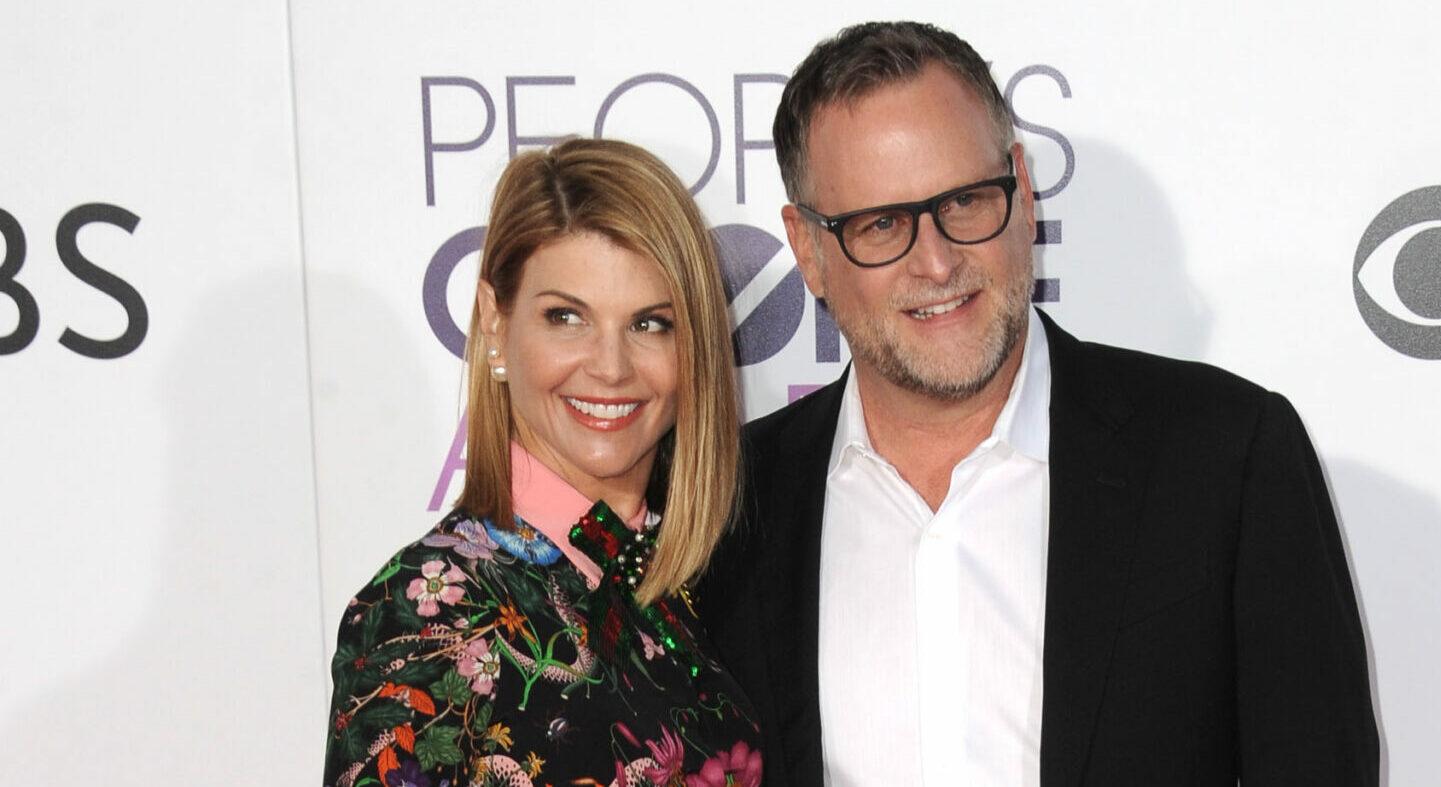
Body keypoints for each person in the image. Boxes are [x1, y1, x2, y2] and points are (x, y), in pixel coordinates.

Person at [696, 21, 1378, 786]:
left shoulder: (1226, 458)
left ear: (1021, 190)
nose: (938, 259)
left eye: (966, 200)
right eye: (881, 224)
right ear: (810, 251)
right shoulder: (724, 505)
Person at [324, 137, 762, 787]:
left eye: (650, 324)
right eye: (567, 317)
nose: (611, 366)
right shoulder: (426, 610)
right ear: (494, 325)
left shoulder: (684, 589)